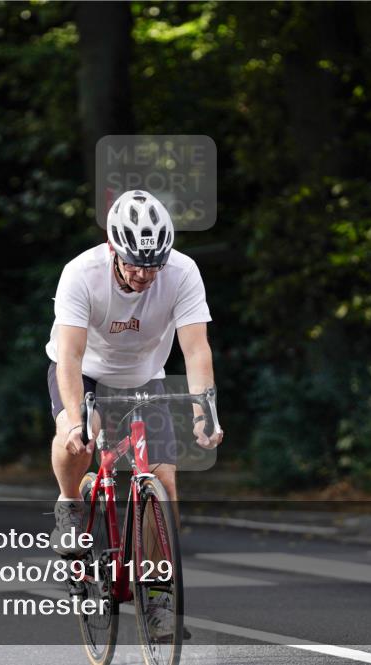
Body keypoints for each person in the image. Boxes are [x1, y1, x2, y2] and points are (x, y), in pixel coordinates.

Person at [44, 189, 223, 637]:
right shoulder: (80, 274)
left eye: (154, 263)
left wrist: (206, 411)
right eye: (134, 263)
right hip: (85, 372)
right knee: (80, 434)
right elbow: (68, 356)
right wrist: (75, 419)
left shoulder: (182, 272)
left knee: (164, 481)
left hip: (145, 375)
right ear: (113, 249)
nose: (145, 273)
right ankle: (70, 503)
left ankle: (159, 599)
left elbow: (196, 348)